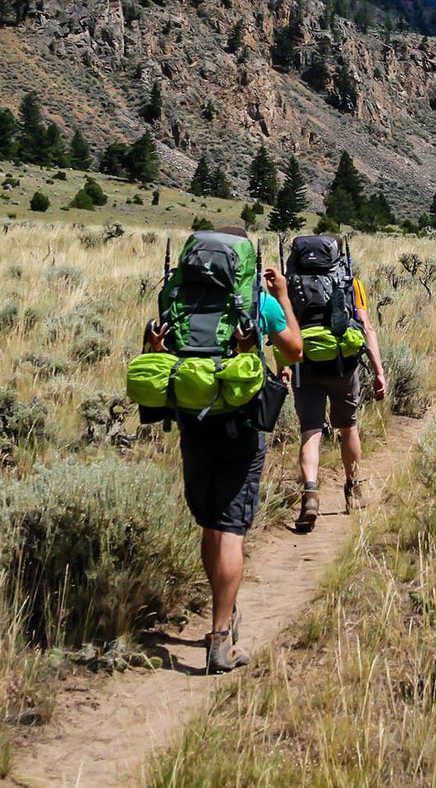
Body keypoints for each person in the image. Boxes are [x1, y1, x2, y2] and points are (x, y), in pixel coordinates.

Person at [164, 224, 301, 674]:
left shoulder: (176, 295)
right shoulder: (253, 302)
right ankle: (221, 637)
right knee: (232, 527)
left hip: (192, 417)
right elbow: (294, 351)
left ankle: (223, 605)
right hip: (240, 424)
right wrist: (281, 296)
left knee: (209, 522)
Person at [294, 270, 386, 531]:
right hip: (343, 368)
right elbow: (366, 327)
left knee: (310, 432)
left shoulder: (293, 282)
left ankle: (310, 494)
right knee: (348, 427)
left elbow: (285, 328)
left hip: (306, 367)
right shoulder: (351, 283)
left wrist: (284, 365)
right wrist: (378, 371)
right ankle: (354, 489)